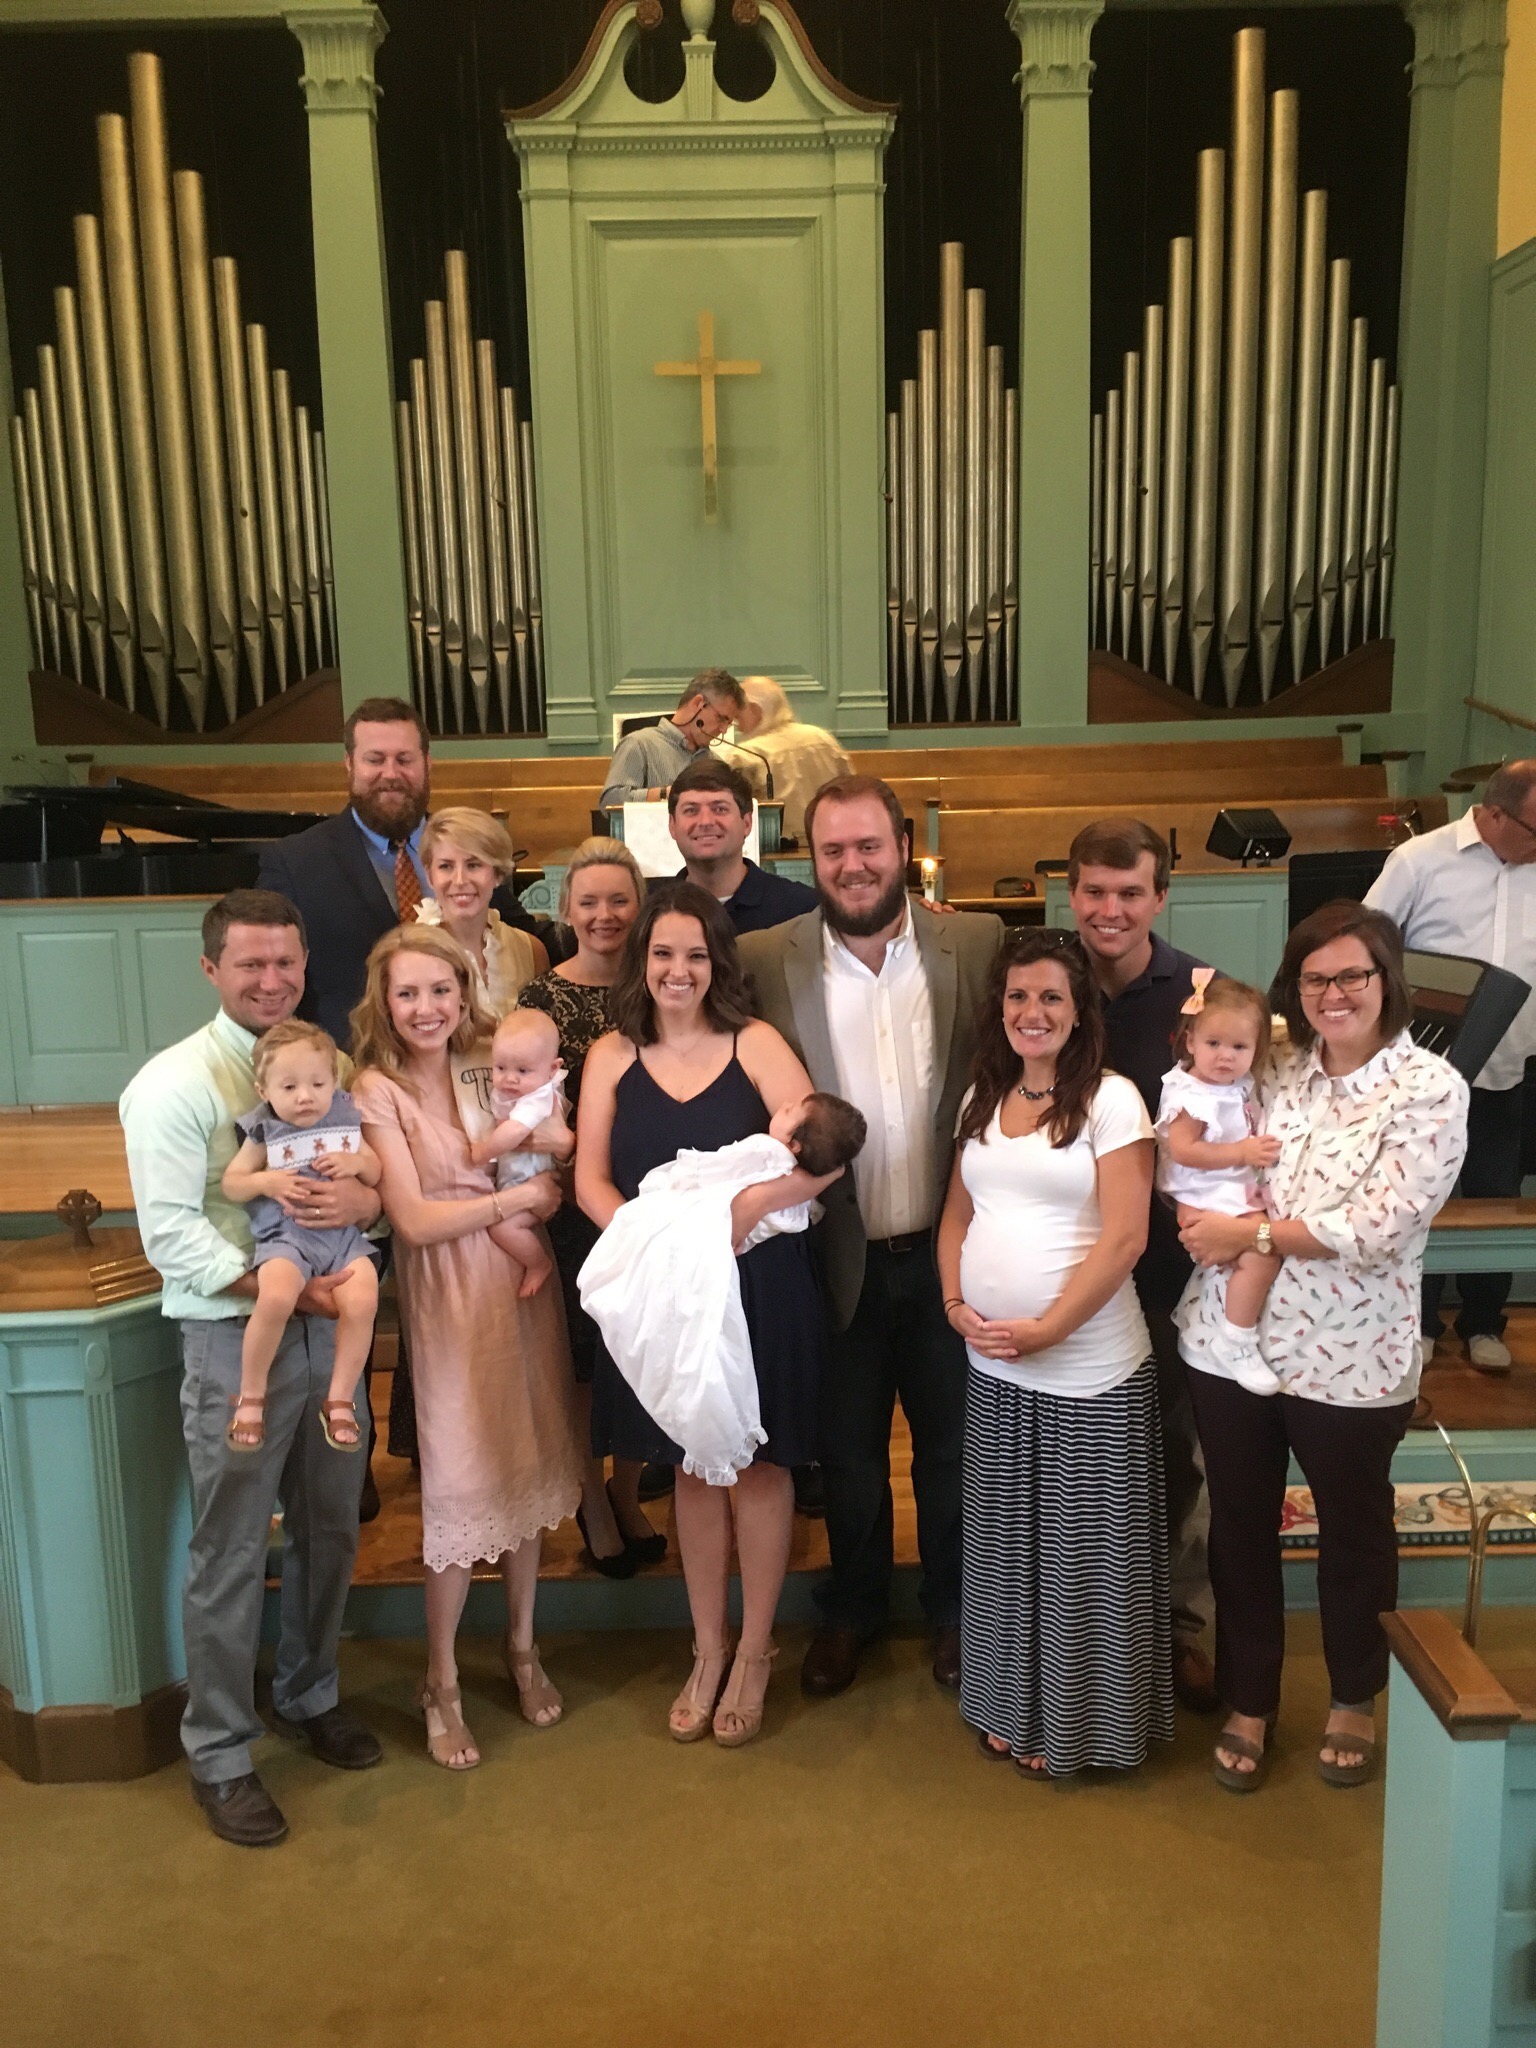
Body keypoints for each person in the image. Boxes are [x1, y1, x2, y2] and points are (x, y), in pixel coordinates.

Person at [1178, 902, 1468, 1792]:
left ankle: (1353, 1695)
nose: (1333, 994)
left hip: (1352, 1351)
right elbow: (1200, 1120)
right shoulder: (1276, 1069)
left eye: (1352, 976)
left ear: (1387, 981)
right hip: (1230, 1340)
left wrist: (1248, 1237)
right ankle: (1250, 1697)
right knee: (1238, 1525)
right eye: (1314, 979)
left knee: (1352, 1528)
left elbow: (1377, 1228)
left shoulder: (1428, 1089)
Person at [119, 889, 383, 1849]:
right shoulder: (173, 1084)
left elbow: (371, 1186)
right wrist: (285, 1291)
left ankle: (308, 1694)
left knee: (330, 1529)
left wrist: (362, 1206)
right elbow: (169, 1234)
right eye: (250, 964)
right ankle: (221, 1750)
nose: (271, 980)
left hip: (330, 1329)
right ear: (211, 970)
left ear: (305, 964)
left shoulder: (329, 1069)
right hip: (240, 1334)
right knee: (231, 1549)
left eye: (286, 962)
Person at [738, 775, 1003, 1699]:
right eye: (833, 850)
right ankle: (851, 1607)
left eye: (868, 846)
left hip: (947, 1250)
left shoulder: (976, 942)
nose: (852, 866)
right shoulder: (764, 956)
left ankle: (954, 1610)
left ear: (903, 848)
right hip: (832, 1256)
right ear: (810, 859)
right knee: (847, 1456)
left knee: (951, 1453)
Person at [576, 884, 836, 1746]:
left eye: (695, 954)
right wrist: (659, 1247)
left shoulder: (755, 1043)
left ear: (718, 961)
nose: (678, 970)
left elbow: (823, 1160)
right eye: (662, 953)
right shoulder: (611, 1055)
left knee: (758, 1469)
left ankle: (755, 1650)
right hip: (664, 1292)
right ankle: (707, 1647)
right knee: (691, 1468)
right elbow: (589, 1180)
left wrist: (740, 1212)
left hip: (758, 1283)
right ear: (641, 961)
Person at [936, 929, 1172, 1777]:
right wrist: (955, 1305)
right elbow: (957, 1217)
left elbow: (1127, 1237)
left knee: (1082, 1558)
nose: (1030, 1012)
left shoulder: (1112, 1100)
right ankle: (1011, 1706)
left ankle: (1079, 1727)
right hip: (995, 1366)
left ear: (1078, 1013)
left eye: (1049, 998)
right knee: (1006, 1548)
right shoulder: (982, 1096)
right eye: (1017, 996)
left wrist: (1050, 1329)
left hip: (1089, 1369)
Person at [351, 923, 583, 1771]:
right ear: (384, 1001)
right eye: (408, 992)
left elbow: (556, 1147)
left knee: (525, 1461)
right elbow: (413, 1221)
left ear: (464, 991)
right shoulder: (376, 1088)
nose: (427, 1007)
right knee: (459, 1479)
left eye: (441, 990)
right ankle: (441, 1678)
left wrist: (545, 1173)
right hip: (449, 1293)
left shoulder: (491, 1060)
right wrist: (509, 1206)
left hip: (523, 1288)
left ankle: (522, 1646)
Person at [1066, 816, 1218, 1714]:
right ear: (1071, 894)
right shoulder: (1045, 983)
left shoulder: (1202, 996)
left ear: (1160, 896)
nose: (1110, 910)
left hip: (1166, 1267)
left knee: (1174, 1453)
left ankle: (1179, 1623)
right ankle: (1083, 1625)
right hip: (1061, 1260)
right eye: (1095, 891)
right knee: (1079, 1458)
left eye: (1130, 893)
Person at [579, 1092, 865, 1484]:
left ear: (795, 1144)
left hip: (736, 1251)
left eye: (788, 1111)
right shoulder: (791, 1162)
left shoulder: (769, 1152)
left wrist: (686, 1175)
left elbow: (718, 1168)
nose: (780, 1108)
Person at [1365, 759, 1536, 1376]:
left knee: (1496, 1194)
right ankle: (1419, 1322)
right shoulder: (1420, 860)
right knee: (1419, 1198)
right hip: (1422, 1071)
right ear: (1494, 813)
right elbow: (1367, 945)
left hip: (1511, 1067)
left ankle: (1484, 1321)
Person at [520, 838, 662, 1576]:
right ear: (567, 910)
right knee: (583, 1365)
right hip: (574, 1204)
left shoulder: (661, 983)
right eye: (589, 901)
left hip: (651, 1199)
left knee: (640, 1354)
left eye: (619, 900)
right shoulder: (540, 998)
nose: (605, 914)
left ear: (640, 906)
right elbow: (523, 1104)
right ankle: (591, 1502)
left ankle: (626, 1490)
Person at [256, 696, 541, 1046]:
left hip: (466, 1062)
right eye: (375, 759)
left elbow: (520, 932)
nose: (391, 774)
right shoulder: (295, 862)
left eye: (404, 760)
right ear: (349, 764)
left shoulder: (466, 849)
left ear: (427, 764)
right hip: (351, 1062)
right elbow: (272, 977)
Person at [221, 1019, 382, 1452]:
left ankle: (340, 1398)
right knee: (276, 1296)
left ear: (334, 1082)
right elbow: (232, 1183)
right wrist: (265, 1181)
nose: (305, 1096)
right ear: (263, 1091)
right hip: (287, 1237)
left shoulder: (344, 1118)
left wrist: (357, 1165)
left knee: (363, 1300)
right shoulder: (266, 1129)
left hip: (342, 1239)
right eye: (289, 1087)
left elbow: (374, 1168)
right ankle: (251, 1396)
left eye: (317, 1083)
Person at [1155, 974, 1283, 1394]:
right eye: (1214, 1043)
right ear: (1190, 1041)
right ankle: (1236, 1338)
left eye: (1239, 1047)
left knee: (1254, 1251)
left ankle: (1230, 1327)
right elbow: (1184, 1150)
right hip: (1202, 1191)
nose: (1226, 1056)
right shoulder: (1191, 1094)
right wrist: (1242, 1152)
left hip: (1225, 1187)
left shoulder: (1232, 1085)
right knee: (1263, 1252)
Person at [412, 805, 549, 1016]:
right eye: (446, 866)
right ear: (430, 876)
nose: (460, 880)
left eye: (473, 865)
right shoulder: (410, 955)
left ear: (497, 874)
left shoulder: (530, 950)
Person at [468, 1007, 565, 1296]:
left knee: (502, 1229)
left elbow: (513, 1133)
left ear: (552, 1070)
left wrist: (483, 1152)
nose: (510, 1079)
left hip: (534, 1183)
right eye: (500, 1068)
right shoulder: (520, 1090)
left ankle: (538, 1264)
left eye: (522, 1071)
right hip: (515, 1181)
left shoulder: (540, 1097)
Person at [668, 755, 819, 934]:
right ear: (672, 826)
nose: (705, 821)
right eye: (691, 810)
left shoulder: (801, 909)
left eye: (720, 809)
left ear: (747, 823)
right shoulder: (654, 910)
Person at [597, 668, 748, 808]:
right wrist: (668, 794)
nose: (723, 730)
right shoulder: (638, 745)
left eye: (728, 723)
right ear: (698, 704)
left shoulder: (716, 764)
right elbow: (610, 801)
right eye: (721, 718)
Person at [734, 673, 854, 843]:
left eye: (738, 715)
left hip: (778, 850)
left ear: (756, 710)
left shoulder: (745, 755)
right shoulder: (823, 739)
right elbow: (852, 794)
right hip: (833, 843)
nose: (736, 723)